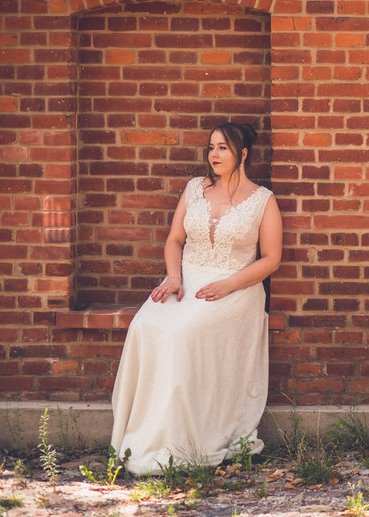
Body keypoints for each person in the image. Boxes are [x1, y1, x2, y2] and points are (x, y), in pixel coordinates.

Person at [111, 122, 282, 475]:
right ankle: (142, 434)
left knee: (180, 334)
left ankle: (180, 439)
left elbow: (271, 259)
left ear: (242, 154)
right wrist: (173, 277)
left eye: (222, 148)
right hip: (185, 281)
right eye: (211, 147)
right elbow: (175, 240)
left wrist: (229, 284)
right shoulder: (194, 189)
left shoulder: (263, 201)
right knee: (144, 325)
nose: (213, 155)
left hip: (235, 288)